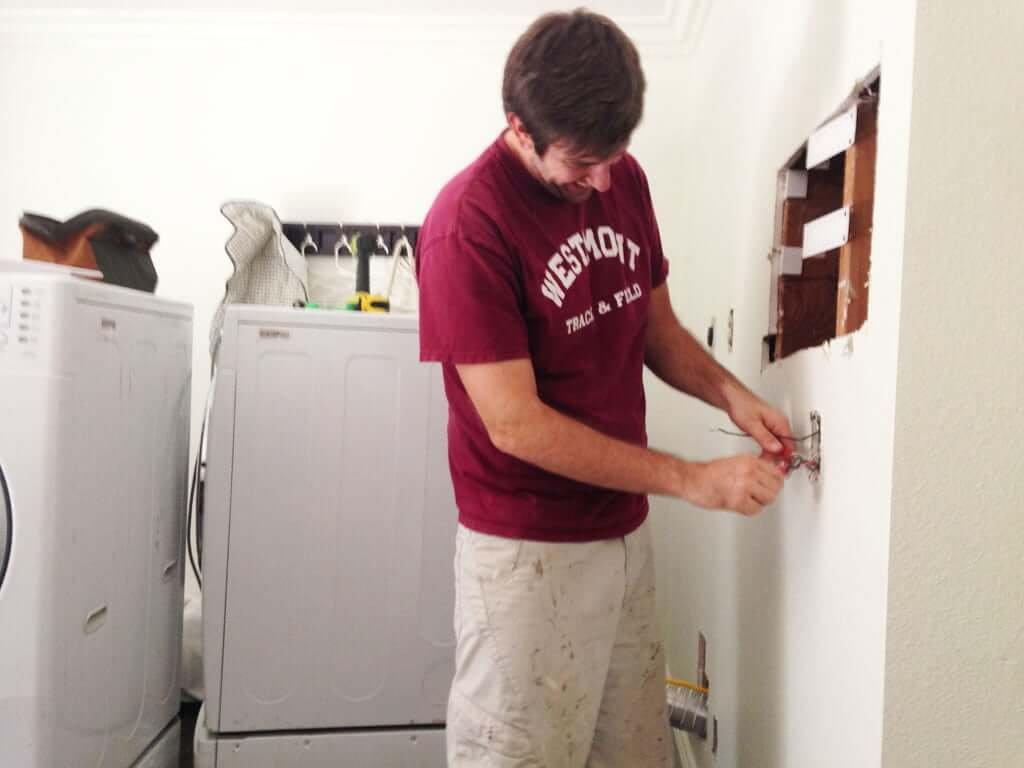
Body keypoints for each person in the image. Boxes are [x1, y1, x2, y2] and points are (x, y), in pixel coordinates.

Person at [416, 9, 792, 767]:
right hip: (524, 555)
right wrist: (692, 480)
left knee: (632, 753)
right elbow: (516, 424)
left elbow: (657, 332)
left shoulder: (622, 179)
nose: (603, 181)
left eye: (615, 156)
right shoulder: (466, 226)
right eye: (583, 164)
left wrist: (732, 394)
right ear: (519, 129)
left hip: (621, 534)